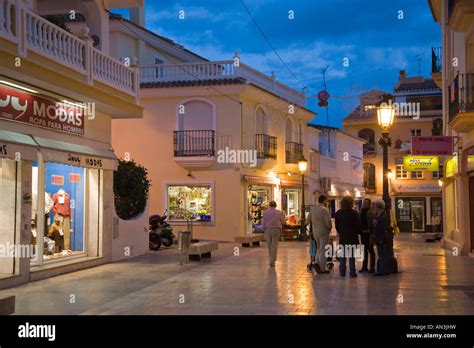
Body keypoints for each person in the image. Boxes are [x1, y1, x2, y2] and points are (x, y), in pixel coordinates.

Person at [335, 196, 362, 278]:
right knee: (352, 256)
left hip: (343, 237)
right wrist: (358, 232)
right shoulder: (354, 213)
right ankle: (352, 272)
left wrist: (341, 232)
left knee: (342, 256)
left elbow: (337, 226)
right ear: (351, 203)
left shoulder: (338, 213)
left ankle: (342, 271)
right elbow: (358, 225)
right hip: (352, 237)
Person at [307, 195, 332, 274]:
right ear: (324, 200)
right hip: (324, 232)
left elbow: (307, 220)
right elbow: (328, 222)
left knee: (318, 248)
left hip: (315, 232)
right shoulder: (324, 210)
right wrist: (329, 228)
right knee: (323, 249)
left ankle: (316, 263)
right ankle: (322, 268)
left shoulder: (313, 209)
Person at [262, 201, 286, 267]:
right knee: (274, 246)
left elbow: (263, 223)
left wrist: (263, 230)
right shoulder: (279, 212)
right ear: (275, 205)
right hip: (276, 230)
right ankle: (272, 261)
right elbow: (283, 222)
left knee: (269, 246)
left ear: (269, 205)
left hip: (267, 230)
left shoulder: (265, 213)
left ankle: (271, 260)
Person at [373, 200, 391, 276]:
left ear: (378, 206)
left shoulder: (382, 215)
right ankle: (385, 270)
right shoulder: (380, 214)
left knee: (382, 254)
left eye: (375, 206)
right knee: (382, 254)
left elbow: (382, 227)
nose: (374, 208)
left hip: (381, 237)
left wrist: (375, 223)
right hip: (381, 237)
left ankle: (382, 271)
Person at [359, 198, 376, 273]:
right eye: (363, 202)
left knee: (370, 249)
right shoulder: (361, 212)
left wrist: (370, 230)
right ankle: (364, 266)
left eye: (366, 203)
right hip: (363, 233)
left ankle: (372, 267)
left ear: (369, 204)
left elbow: (372, 223)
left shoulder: (370, 212)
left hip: (369, 234)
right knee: (364, 250)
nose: (364, 204)